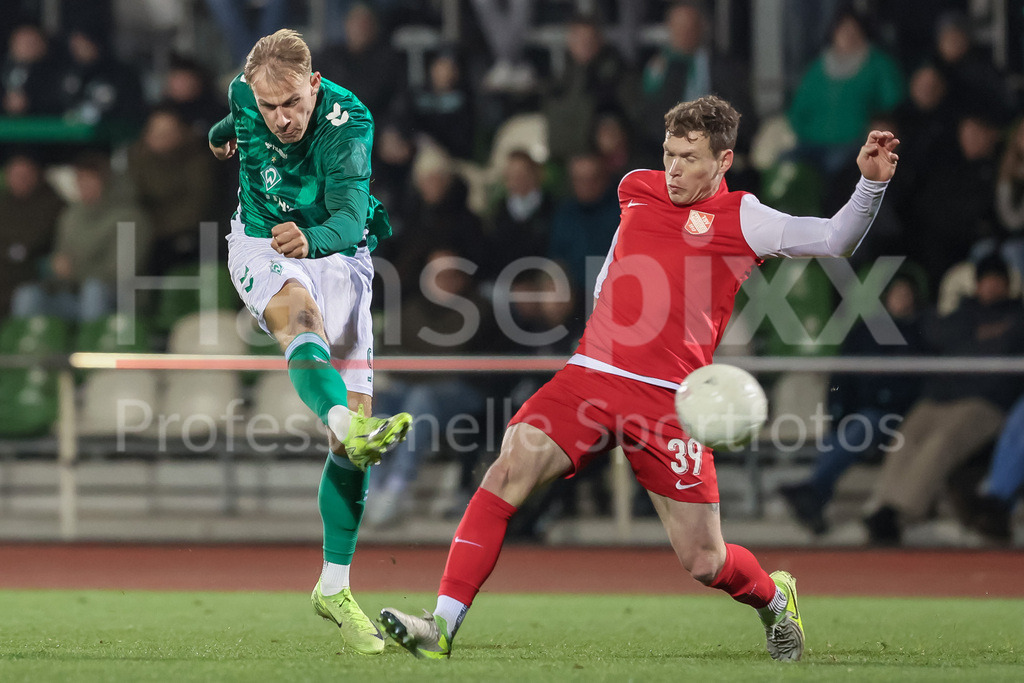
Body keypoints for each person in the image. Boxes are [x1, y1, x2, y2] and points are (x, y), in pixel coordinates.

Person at [379, 94, 900, 662]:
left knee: (704, 561)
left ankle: (776, 599)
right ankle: (442, 626)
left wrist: (869, 186)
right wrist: (602, 326)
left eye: (689, 157)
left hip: (671, 403)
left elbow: (833, 239)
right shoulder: (636, 186)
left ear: (723, 162)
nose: (673, 168)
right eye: (668, 153)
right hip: (592, 376)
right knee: (507, 471)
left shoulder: (744, 217)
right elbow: (613, 261)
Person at [206, 28, 412, 655]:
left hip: (337, 249)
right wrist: (219, 138)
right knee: (298, 318)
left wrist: (316, 240)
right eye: (268, 106)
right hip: (262, 242)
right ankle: (341, 418)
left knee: (352, 451)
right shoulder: (248, 98)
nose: (280, 117)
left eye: (292, 102)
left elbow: (350, 215)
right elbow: (228, 126)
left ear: (314, 84)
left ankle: (333, 586)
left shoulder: (349, 121)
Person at [862, 254, 1024, 545]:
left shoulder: (1017, 317)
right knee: (906, 437)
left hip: (986, 401)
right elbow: (931, 335)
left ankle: (902, 512)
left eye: (998, 281)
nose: (991, 287)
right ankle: (882, 506)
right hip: (940, 398)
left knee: (942, 440)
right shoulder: (959, 315)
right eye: (986, 281)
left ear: (1009, 285)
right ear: (976, 284)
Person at [778, 272, 928, 535]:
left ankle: (814, 492)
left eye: (907, 294)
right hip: (855, 413)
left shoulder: (920, 335)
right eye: (897, 294)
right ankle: (815, 498)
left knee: (863, 424)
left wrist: (887, 399)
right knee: (841, 430)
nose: (901, 300)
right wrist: (836, 408)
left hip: (895, 417)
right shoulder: (864, 333)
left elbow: (916, 384)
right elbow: (840, 379)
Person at [10, 150, 150, 323]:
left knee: (94, 290)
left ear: (106, 182)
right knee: (28, 294)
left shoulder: (130, 218)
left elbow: (122, 271)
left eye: (90, 180)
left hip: (118, 297)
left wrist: (74, 272)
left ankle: (92, 343)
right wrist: (55, 267)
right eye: (80, 179)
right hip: (73, 292)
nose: (84, 185)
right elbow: (61, 259)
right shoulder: (70, 215)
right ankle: (28, 345)